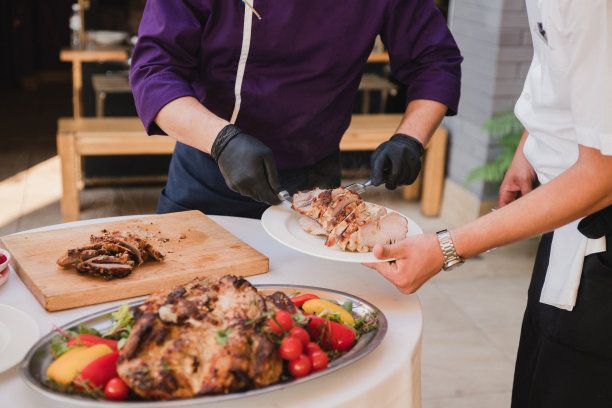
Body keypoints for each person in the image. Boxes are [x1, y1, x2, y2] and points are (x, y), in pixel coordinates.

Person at [363, 1, 612, 406]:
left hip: (598, 241)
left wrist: (445, 247)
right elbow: (567, 73)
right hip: (566, 226)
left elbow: (602, 175)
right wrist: (531, 147)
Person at [129, 0, 462, 218]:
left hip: (313, 184)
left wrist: (410, 138)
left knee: (306, 312)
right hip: (208, 171)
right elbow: (154, 71)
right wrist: (221, 141)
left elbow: (435, 61)